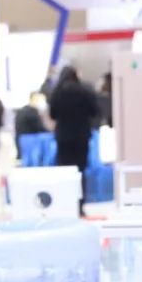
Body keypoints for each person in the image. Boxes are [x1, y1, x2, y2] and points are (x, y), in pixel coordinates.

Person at [50, 66, 100, 210]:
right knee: (80, 170)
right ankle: (80, 204)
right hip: (81, 135)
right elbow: (94, 111)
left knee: (64, 171)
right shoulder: (85, 91)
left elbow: (53, 114)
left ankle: (65, 204)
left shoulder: (57, 92)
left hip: (63, 137)